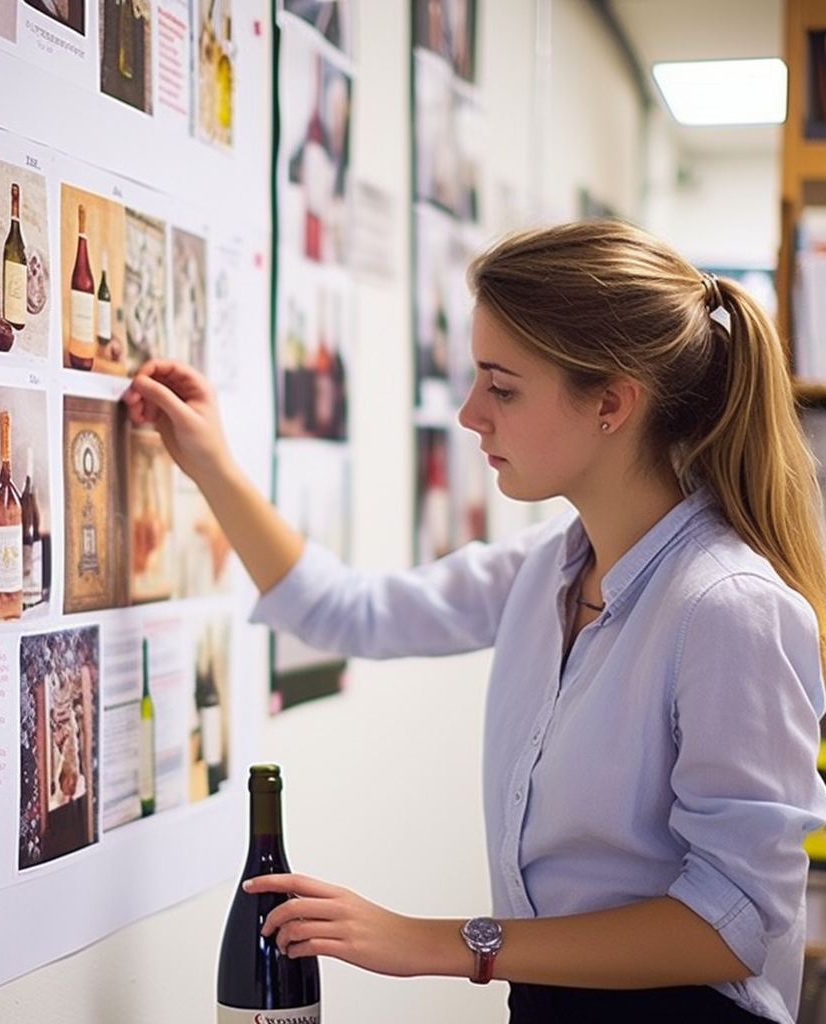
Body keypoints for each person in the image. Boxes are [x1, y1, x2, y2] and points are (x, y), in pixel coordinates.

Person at [122, 218, 826, 1024]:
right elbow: (347, 612)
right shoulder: (544, 571)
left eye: (502, 386)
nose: (468, 413)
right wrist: (207, 461)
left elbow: (730, 926)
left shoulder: (727, 608)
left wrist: (443, 943)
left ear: (612, 403)